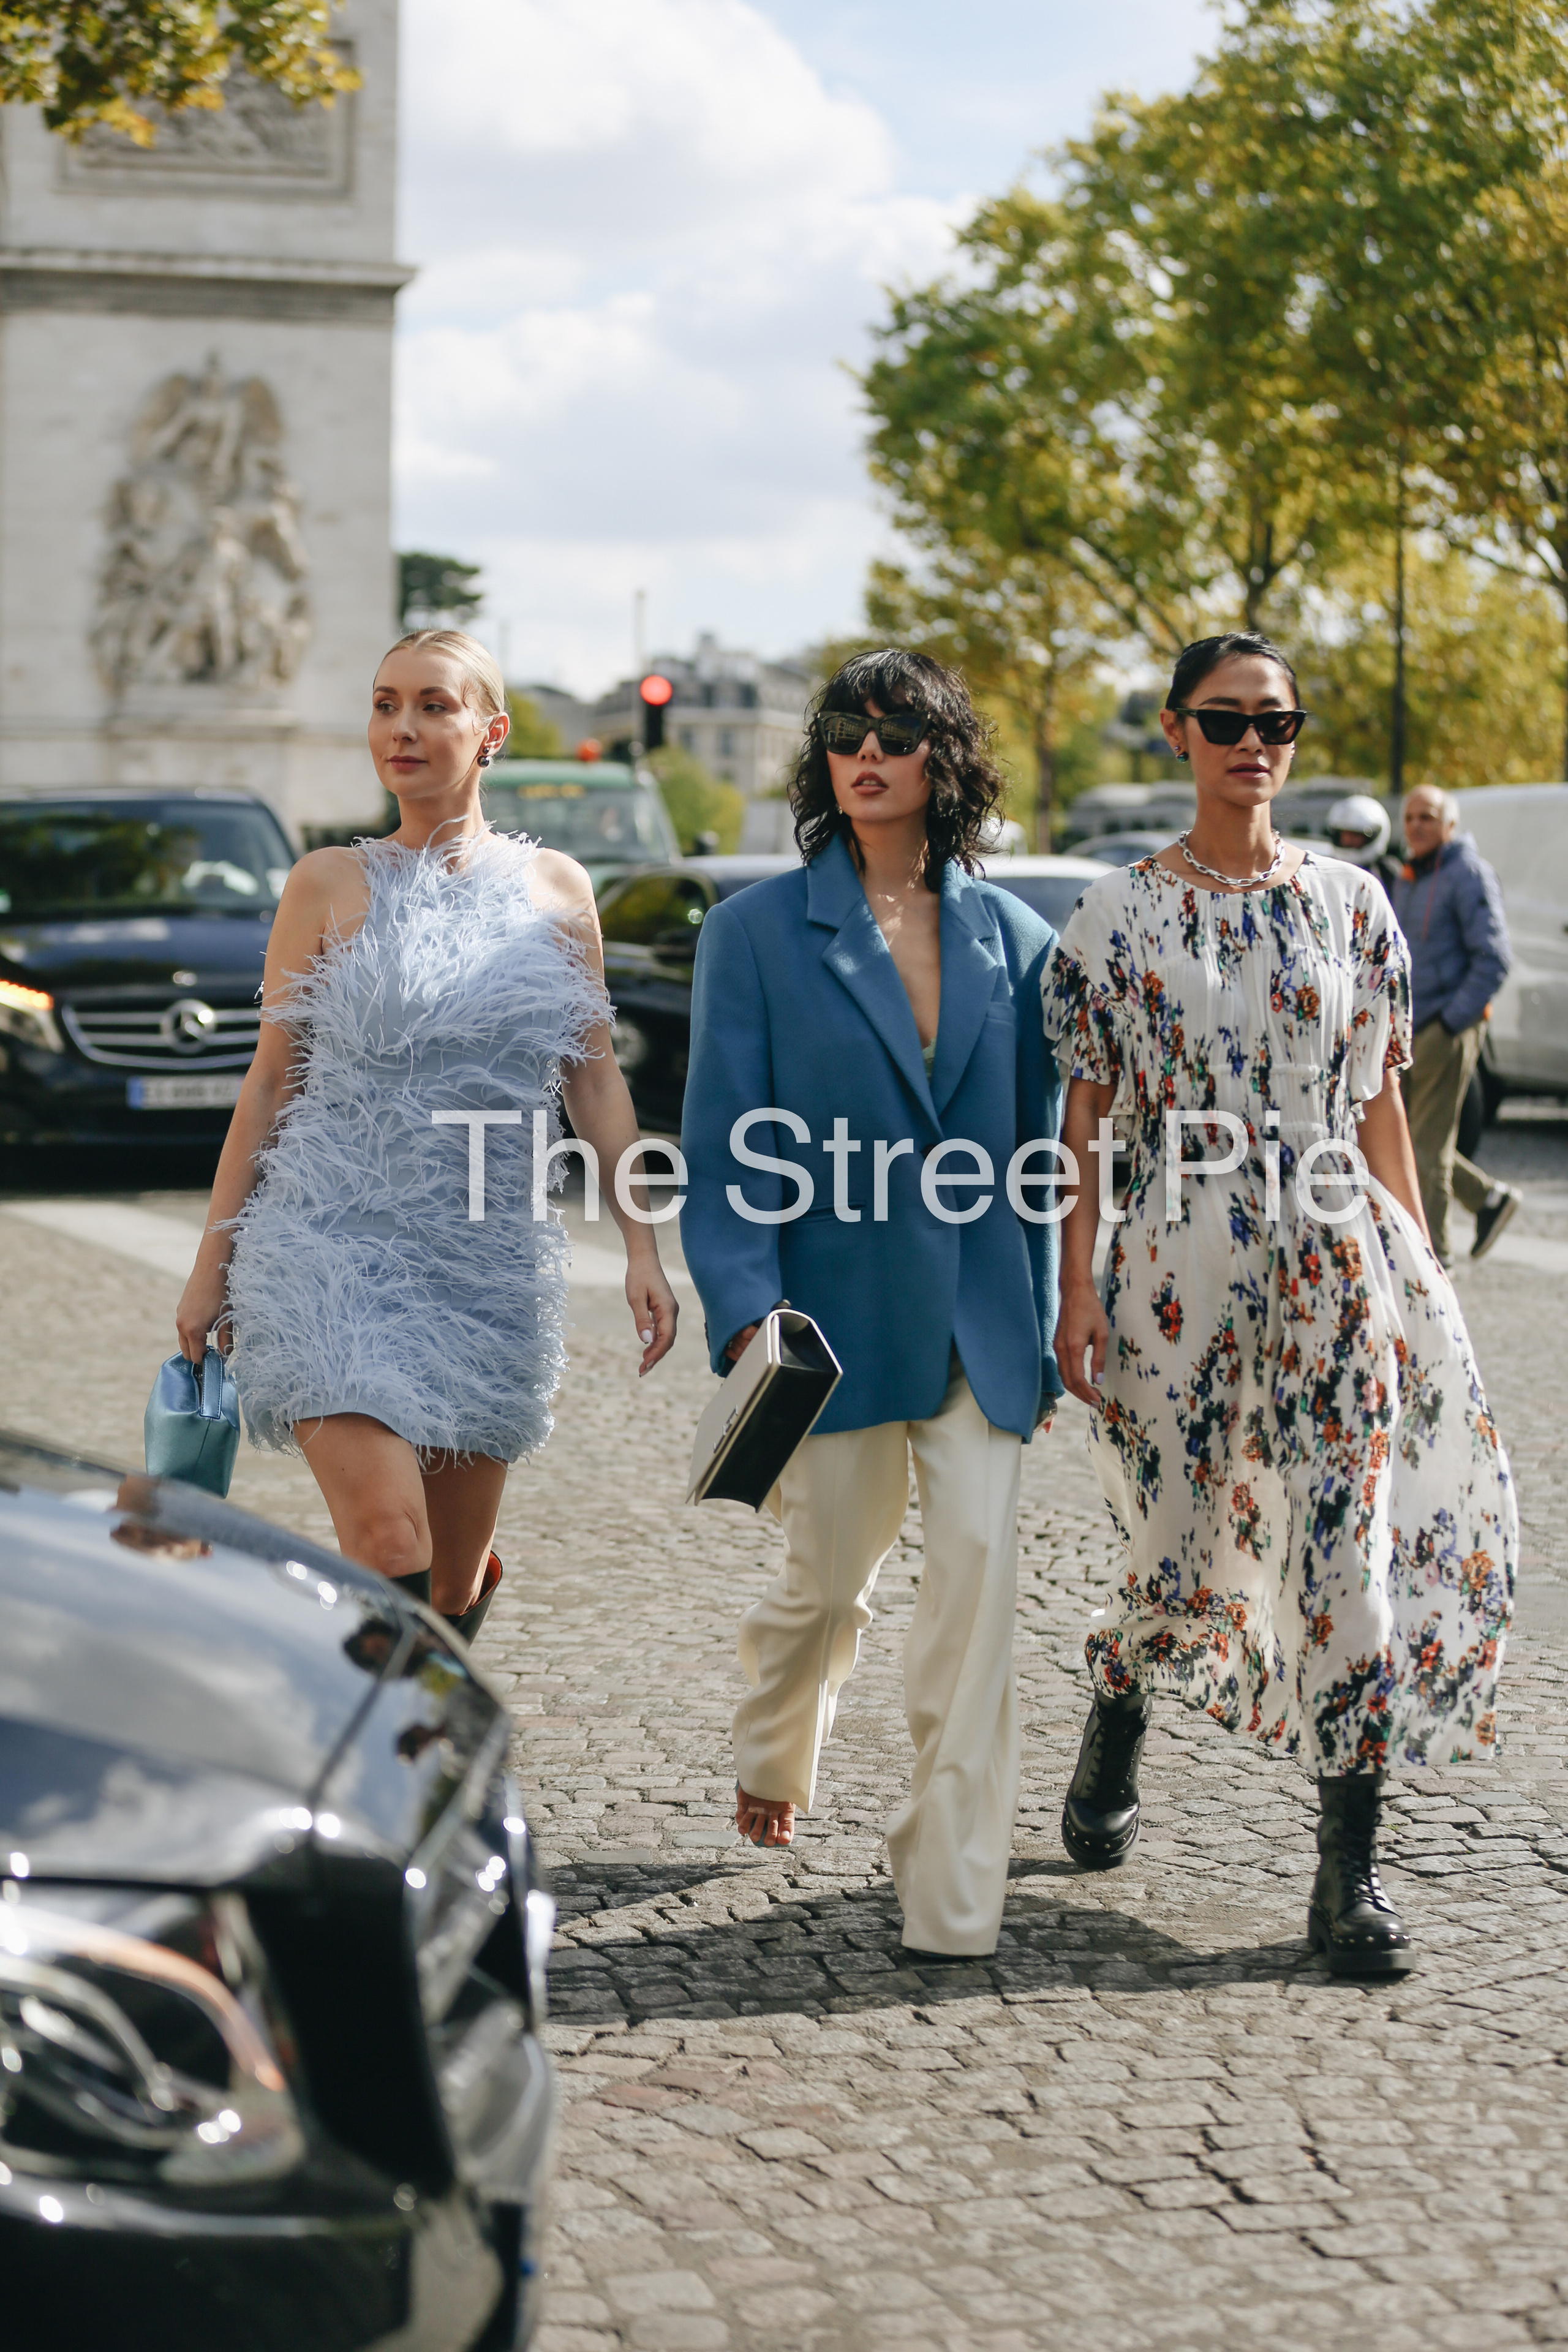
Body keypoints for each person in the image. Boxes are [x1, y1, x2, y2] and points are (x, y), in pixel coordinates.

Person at [1047, 632, 1516, 1978]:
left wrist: (1418, 1273)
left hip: (1336, 1254)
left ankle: (1344, 1874)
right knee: (1180, 1539)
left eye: (1278, 721)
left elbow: (1378, 1103)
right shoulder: (1113, 915)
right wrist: (1075, 1286)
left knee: (1345, 1541)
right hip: (1176, 1255)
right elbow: (1081, 1120)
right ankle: (1120, 1703)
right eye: (1227, 719)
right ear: (1174, 732)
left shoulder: (1354, 905)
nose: (1257, 742)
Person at [175, 628, 678, 1638]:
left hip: (485, 1265)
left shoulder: (559, 892)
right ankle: (369, 1780)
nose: (401, 727)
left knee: (444, 1591)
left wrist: (640, 1246)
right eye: (385, 703)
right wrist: (210, 1264)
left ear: (490, 733)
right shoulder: (323, 882)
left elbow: (594, 1078)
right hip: (326, 1247)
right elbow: (271, 1081)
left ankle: (414, 1745)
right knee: (390, 1545)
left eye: (433, 706)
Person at [680, 650, 1063, 1959]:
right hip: (830, 1334)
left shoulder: (1018, 943)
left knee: (973, 1590)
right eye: (847, 728)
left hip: (980, 1326)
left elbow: (1038, 1163)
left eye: (897, 731)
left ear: (941, 763)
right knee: (823, 1583)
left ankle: (950, 1896)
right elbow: (727, 1150)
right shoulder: (750, 935)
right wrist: (747, 1312)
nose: (867, 749)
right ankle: (775, 1744)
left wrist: (1056, 1324)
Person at [1393, 785, 1518, 1265]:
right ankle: (1489, 1199)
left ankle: (1433, 1261)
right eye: (1410, 817)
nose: (1417, 826)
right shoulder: (1409, 874)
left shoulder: (1468, 874)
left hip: (1446, 1028)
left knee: (1426, 1150)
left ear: (1449, 825)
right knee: (1411, 1139)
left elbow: (1494, 959)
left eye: (1427, 817)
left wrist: (1450, 1022)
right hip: (1408, 1028)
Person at [1325, 791, 1402, 901]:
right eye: (1344, 834)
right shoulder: (1326, 870)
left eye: (1356, 835)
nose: (1348, 840)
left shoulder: (1388, 872)